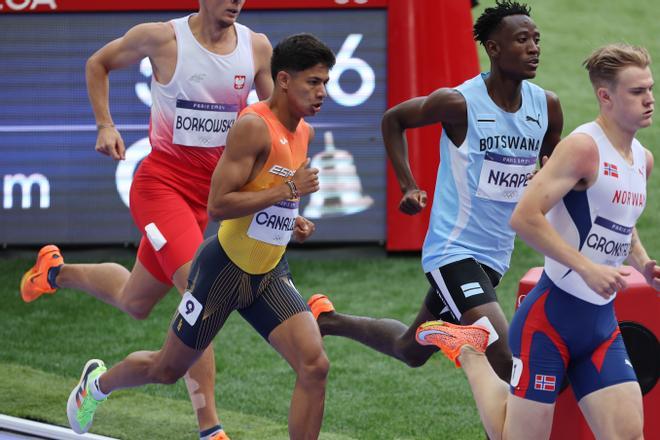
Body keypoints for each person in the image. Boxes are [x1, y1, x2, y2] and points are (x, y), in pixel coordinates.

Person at [17, 1, 290, 438]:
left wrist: (280, 199)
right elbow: (98, 63)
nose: (236, 1)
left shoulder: (256, 48)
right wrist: (104, 124)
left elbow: (274, 125)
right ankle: (211, 429)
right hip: (159, 188)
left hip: (207, 201)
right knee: (199, 292)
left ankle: (55, 274)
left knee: (134, 299)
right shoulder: (162, 38)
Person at [65, 33, 336, 439]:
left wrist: (289, 215)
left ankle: (210, 429)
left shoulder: (304, 134)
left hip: (269, 274)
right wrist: (288, 192)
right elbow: (220, 206)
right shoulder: (251, 127)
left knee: (315, 366)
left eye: (326, 83)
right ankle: (98, 386)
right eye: (313, 82)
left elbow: (266, 187)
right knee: (165, 369)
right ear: (283, 80)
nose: (322, 93)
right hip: (223, 271)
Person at [309, 0, 563, 383]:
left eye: (536, 40)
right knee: (509, 359)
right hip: (452, 251)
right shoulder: (459, 103)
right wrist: (409, 185)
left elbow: (552, 175)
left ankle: (327, 320)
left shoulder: (546, 107)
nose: (534, 48)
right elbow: (393, 119)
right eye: (522, 40)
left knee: (409, 351)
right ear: (493, 49)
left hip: (496, 257)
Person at [417, 43, 658, 440]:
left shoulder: (641, 159)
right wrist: (586, 267)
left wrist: (644, 263)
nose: (649, 99)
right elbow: (525, 217)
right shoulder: (583, 148)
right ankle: (470, 351)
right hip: (549, 323)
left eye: (650, 89)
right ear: (606, 96)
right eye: (637, 92)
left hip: (601, 325)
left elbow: (621, 223)